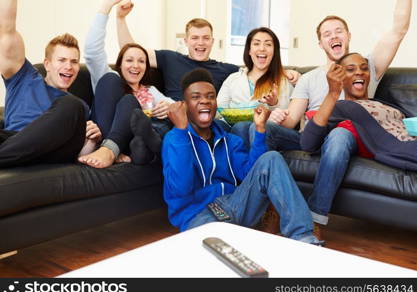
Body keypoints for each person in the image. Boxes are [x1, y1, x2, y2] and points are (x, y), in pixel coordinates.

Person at [249, 0, 412, 239]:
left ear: (348, 36)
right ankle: (269, 204)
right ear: (320, 43)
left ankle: (315, 218)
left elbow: (398, 29)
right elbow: (292, 121)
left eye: (338, 31)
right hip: (311, 134)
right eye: (327, 34)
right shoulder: (309, 78)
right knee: (258, 129)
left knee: (339, 135)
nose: (333, 36)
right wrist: (273, 113)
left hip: (350, 135)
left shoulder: (364, 67)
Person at [162, 68, 323, 245]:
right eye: (195, 97)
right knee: (226, 258)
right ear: (184, 105)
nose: (205, 102)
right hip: (198, 215)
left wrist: (260, 130)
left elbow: (250, 175)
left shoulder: (229, 140)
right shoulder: (175, 139)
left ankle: (304, 237)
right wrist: (180, 132)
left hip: (235, 204)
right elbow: (181, 190)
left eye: (210, 96)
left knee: (271, 158)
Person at [301, 53, 417, 224]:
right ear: (340, 77)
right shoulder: (342, 107)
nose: (359, 72)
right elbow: (308, 143)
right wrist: (333, 93)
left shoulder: (384, 103)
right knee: (340, 134)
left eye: (364, 68)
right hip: (384, 145)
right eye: (350, 69)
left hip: (409, 141)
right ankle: (315, 217)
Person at [115, 0, 300, 102]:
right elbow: (132, 54)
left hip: (205, 121)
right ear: (186, 41)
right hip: (172, 117)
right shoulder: (169, 58)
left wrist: (286, 72)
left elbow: (257, 66)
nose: (200, 43)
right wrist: (121, 19)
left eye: (205, 38)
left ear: (212, 41)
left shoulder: (226, 70)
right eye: (195, 38)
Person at [0, 0, 101, 168]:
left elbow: (81, 157)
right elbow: (6, 29)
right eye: (61, 60)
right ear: (47, 64)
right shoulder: (24, 78)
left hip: (52, 152)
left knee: (72, 105)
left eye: (74, 61)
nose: (68, 66)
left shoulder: (78, 108)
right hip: (14, 141)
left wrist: (92, 141)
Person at [78, 0, 174, 168]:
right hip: (101, 137)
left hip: (131, 144)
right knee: (115, 85)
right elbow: (92, 51)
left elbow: (177, 107)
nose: (136, 66)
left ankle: (114, 150)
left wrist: (168, 108)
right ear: (120, 64)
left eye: (141, 61)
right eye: (129, 60)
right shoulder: (109, 77)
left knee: (130, 102)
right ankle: (109, 148)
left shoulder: (150, 90)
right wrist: (105, 7)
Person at [217, 27, 294, 148]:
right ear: (249, 50)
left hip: (262, 131)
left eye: (268, 44)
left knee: (242, 126)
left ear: (275, 51)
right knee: (215, 125)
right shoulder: (233, 79)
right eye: (256, 43)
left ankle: (245, 165)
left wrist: (274, 103)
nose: (262, 48)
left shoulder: (284, 80)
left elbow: (288, 118)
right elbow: (219, 109)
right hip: (230, 128)